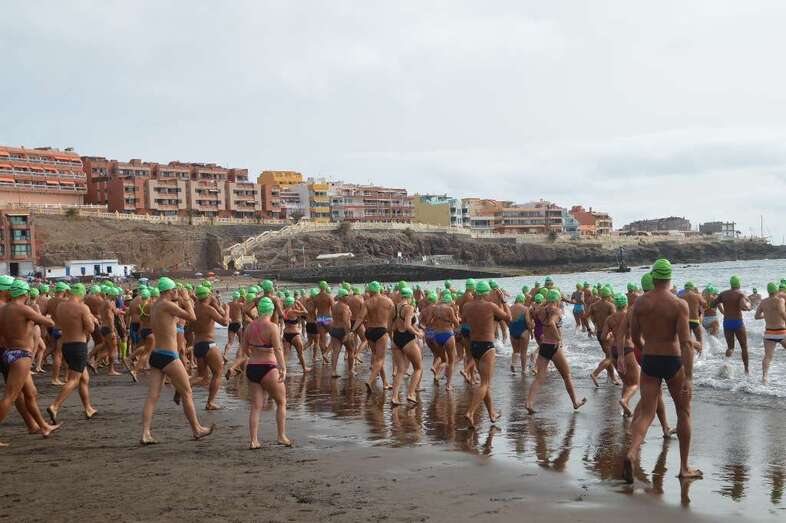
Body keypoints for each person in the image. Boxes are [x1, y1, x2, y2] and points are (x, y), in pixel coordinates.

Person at [624, 259, 702, 484]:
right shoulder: (679, 304)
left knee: (647, 412)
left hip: (650, 359)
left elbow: (635, 336)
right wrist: (688, 377)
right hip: (673, 360)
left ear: (653, 277)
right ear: (669, 278)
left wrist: (647, 350)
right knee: (684, 412)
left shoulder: (640, 303)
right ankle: (684, 467)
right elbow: (686, 343)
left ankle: (631, 453)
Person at [140, 277, 214, 445]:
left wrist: (180, 300)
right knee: (187, 393)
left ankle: (145, 433)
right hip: (169, 356)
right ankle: (197, 429)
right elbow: (192, 316)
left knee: (152, 396)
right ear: (170, 291)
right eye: (174, 290)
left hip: (156, 355)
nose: (176, 292)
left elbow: (173, 320)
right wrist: (187, 297)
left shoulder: (156, 305)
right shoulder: (167, 305)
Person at [0, 279, 61, 446]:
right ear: (25, 293)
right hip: (21, 355)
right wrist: (42, 317)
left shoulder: (4, 309)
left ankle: (43, 426)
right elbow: (49, 323)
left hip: (9, 353)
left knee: (31, 392)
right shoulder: (23, 309)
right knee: (10, 396)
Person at [526, 290, 586, 414]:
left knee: (539, 377)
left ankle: (529, 402)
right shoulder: (556, 311)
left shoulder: (541, 310)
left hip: (543, 346)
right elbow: (552, 323)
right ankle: (575, 402)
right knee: (567, 376)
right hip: (553, 346)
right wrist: (559, 338)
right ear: (557, 299)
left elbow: (533, 312)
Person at [46, 283, 98, 423]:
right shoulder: (82, 308)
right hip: (78, 346)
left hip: (66, 345)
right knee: (74, 380)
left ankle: (88, 408)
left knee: (84, 378)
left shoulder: (60, 306)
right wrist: (92, 319)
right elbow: (91, 328)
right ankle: (55, 406)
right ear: (81, 294)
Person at [463, 281, 510, 428]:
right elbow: (509, 318)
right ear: (486, 293)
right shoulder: (490, 306)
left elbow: (464, 321)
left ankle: (492, 413)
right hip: (487, 346)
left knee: (485, 382)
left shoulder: (467, 306)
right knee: (485, 383)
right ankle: (470, 412)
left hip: (474, 346)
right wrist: (504, 301)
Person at [244, 297, 290, 449]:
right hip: (268, 368)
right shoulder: (272, 327)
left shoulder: (249, 326)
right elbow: (277, 349)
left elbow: (244, 349)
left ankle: (253, 440)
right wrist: (283, 368)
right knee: (281, 402)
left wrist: (256, 351)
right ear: (271, 310)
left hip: (252, 367)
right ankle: (281, 436)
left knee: (256, 406)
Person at [190, 285, 229, 410]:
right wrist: (227, 310)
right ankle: (210, 402)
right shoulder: (208, 309)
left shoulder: (194, 308)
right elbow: (225, 322)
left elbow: (189, 327)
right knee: (218, 372)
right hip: (208, 344)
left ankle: (182, 387)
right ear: (208, 295)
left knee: (202, 377)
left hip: (197, 345)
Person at [352, 281, 394, 393]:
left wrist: (353, 329)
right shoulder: (388, 301)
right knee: (380, 359)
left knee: (377, 358)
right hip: (381, 331)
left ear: (370, 290)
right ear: (379, 289)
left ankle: (385, 382)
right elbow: (394, 317)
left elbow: (360, 317)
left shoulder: (367, 302)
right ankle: (370, 381)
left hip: (369, 331)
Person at [390, 287, 423, 405]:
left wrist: (392, 339)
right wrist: (418, 333)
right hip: (407, 339)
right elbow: (408, 326)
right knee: (418, 368)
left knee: (400, 370)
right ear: (410, 296)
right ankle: (411, 393)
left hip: (396, 338)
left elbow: (391, 327)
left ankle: (394, 397)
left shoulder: (393, 307)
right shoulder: (409, 308)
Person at [713, 276, 752, 374]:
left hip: (727, 323)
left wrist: (723, 309)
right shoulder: (740, 294)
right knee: (744, 347)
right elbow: (744, 306)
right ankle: (746, 369)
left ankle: (725, 364)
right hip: (737, 322)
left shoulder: (723, 294)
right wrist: (748, 307)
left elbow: (713, 304)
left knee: (730, 347)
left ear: (731, 284)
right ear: (739, 284)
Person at [428, 291, 460, 390]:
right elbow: (456, 322)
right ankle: (448, 385)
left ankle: (435, 367)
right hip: (448, 335)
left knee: (442, 358)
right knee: (451, 360)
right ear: (449, 301)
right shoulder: (449, 309)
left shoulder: (434, 308)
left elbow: (429, 321)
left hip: (437, 335)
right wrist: (455, 322)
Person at [755, 282, 786, 384]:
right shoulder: (780, 300)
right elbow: (781, 312)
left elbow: (756, 316)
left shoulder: (763, 302)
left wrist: (766, 316)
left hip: (769, 333)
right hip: (781, 332)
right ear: (776, 290)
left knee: (768, 356)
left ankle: (764, 377)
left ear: (768, 291)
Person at [589, 287, 619, 386]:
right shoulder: (610, 306)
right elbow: (615, 320)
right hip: (608, 334)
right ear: (609, 295)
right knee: (611, 357)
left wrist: (592, 327)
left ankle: (613, 378)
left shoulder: (594, 305)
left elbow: (585, 316)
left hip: (599, 333)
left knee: (608, 355)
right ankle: (595, 373)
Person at [329, 289, 355, 379]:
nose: (348, 297)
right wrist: (348, 333)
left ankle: (333, 371)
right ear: (343, 297)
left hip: (335, 330)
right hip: (343, 331)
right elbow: (345, 321)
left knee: (336, 351)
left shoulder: (335, 306)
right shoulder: (345, 307)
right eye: (347, 295)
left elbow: (333, 319)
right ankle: (351, 370)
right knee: (351, 350)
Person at [282, 295, 310, 373]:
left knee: (286, 354)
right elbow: (305, 312)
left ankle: (282, 369)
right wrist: (299, 303)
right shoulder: (293, 312)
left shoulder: (284, 311)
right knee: (300, 353)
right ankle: (304, 369)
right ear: (292, 303)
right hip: (294, 335)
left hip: (286, 335)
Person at [509, 294, 533, 373]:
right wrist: (531, 332)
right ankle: (524, 370)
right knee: (523, 352)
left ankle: (513, 364)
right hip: (523, 331)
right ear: (523, 301)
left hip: (513, 332)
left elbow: (507, 319)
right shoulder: (525, 309)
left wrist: (510, 329)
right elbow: (528, 322)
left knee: (515, 351)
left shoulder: (510, 308)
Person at [681, 282, 707, 354]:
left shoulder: (681, 297)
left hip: (685, 322)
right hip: (695, 320)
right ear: (692, 288)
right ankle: (700, 356)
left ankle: (690, 356)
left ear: (685, 289)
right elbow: (705, 304)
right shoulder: (697, 296)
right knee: (699, 339)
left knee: (688, 341)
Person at [223, 292, 244, 361]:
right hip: (238, 324)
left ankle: (225, 354)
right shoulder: (240, 305)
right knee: (241, 342)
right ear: (238, 297)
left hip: (231, 324)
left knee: (230, 342)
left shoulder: (228, 304)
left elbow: (223, 312)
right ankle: (239, 355)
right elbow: (244, 313)